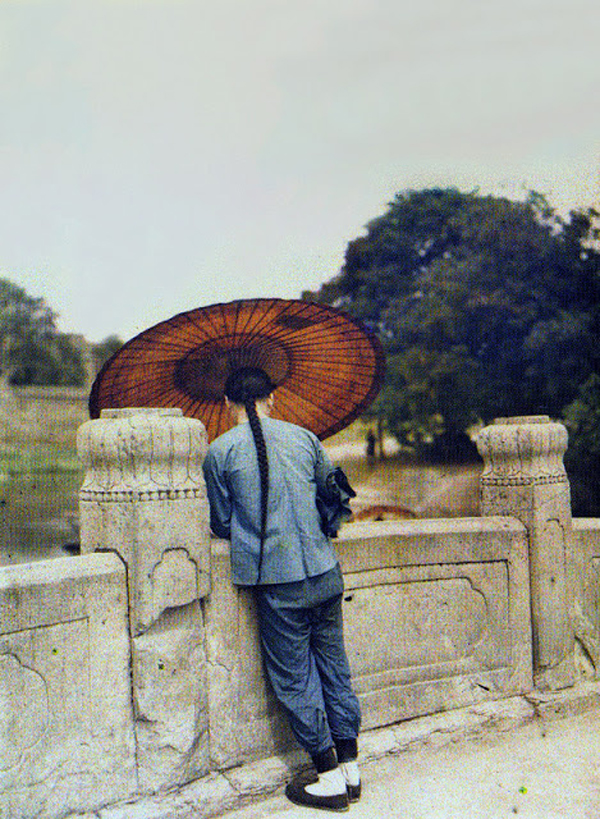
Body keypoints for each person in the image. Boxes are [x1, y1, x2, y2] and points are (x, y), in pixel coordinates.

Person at [202, 366, 361, 813]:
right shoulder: (305, 438)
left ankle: (328, 779)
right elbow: (334, 498)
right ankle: (352, 770)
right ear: (271, 398)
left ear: (228, 404)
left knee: (295, 679)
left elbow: (220, 523)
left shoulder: (219, 452)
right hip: (326, 574)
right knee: (334, 668)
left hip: (278, 584)